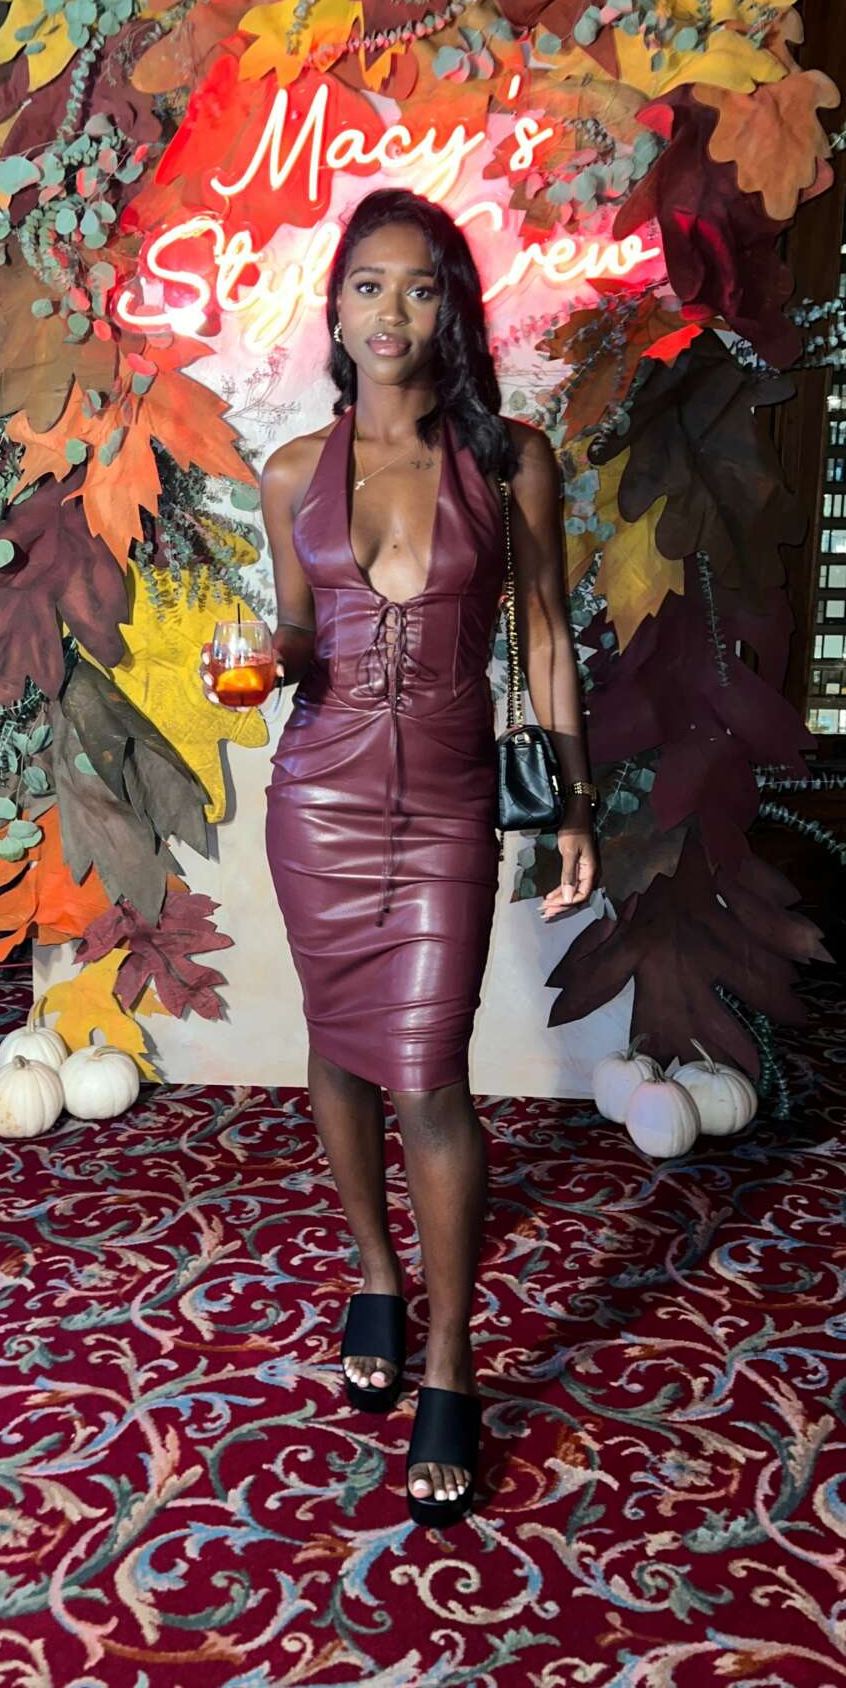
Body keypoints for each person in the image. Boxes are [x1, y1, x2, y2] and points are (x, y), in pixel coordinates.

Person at [200, 185, 600, 1526]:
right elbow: (298, 630)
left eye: (419, 287)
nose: (391, 312)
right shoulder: (289, 475)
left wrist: (574, 806)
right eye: (367, 286)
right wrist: (267, 663)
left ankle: (447, 1355)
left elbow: (546, 636)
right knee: (336, 1043)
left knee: (427, 1074)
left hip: (444, 808)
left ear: (452, 310)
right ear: (335, 310)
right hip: (316, 800)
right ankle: (375, 1269)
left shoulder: (512, 459)